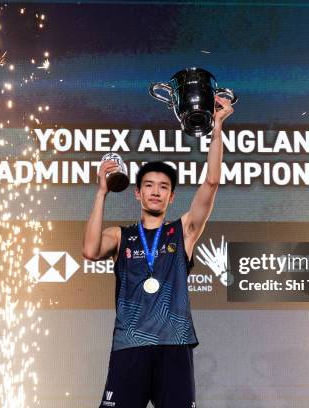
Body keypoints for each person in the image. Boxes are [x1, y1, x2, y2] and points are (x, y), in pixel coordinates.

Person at [83, 96, 234, 408]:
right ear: (138, 193)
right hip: (130, 346)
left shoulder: (183, 232)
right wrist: (101, 192)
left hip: (174, 346)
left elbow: (213, 181)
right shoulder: (121, 236)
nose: (155, 191)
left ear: (171, 196)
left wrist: (217, 128)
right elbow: (89, 250)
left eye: (163, 186)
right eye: (149, 185)